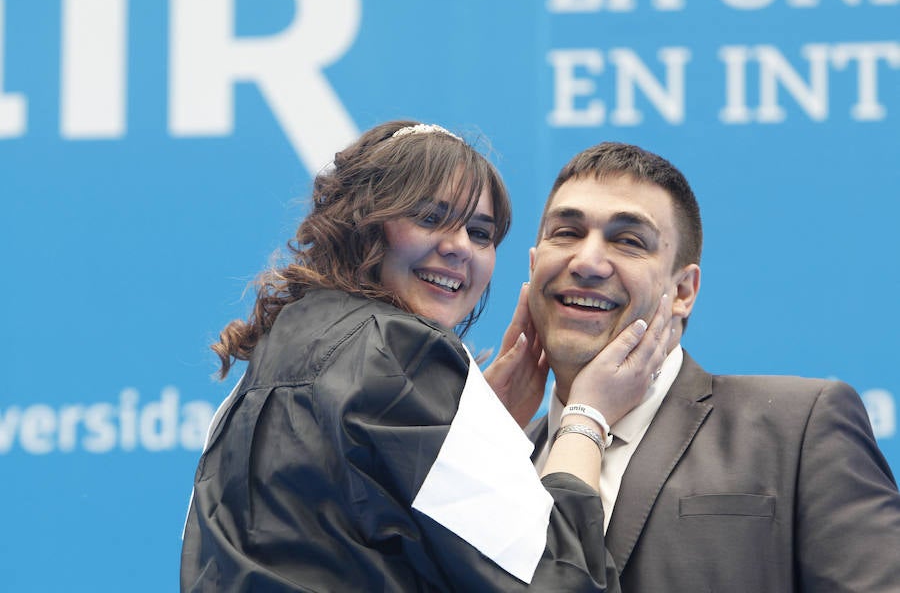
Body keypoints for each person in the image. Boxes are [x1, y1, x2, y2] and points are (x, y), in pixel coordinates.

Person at [180, 120, 670, 591]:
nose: (458, 247)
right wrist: (588, 417)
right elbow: (564, 579)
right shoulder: (396, 354)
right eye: (430, 218)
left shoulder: (278, 350)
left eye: (481, 233)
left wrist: (479, 430)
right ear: (364, 224)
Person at [525, 141, 900, 592]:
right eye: (565, 232)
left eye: (628, 241)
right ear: (533, 263)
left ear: (683, 291)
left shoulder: (799, 426)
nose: (586, 262)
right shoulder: (497, 459)